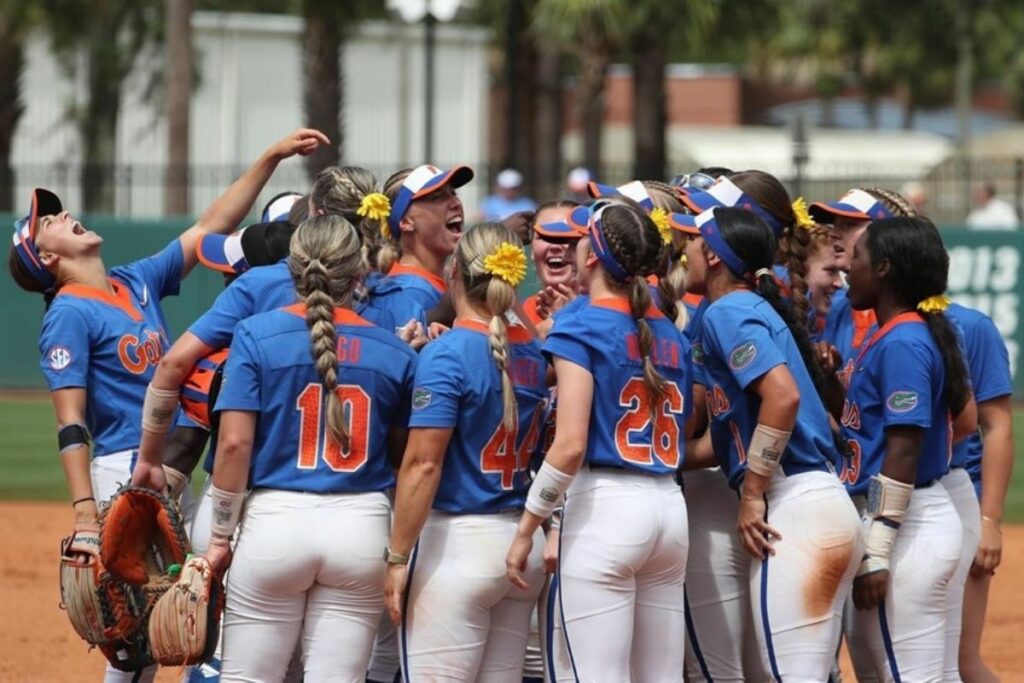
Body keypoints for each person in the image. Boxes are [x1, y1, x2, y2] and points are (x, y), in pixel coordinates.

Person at [8, 127, 328, 683]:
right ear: (46, 257)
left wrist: (271, 156)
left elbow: (208, 228)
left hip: (171, 463)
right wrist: (85, 514)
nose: (63, 216)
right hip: (124, 472)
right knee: (137, 636)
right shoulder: (67, 314)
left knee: (182, 611)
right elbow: (71, 422)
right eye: (49, 222)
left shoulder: (132, 282)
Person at [190, 215, 416, 681]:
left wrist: (219, 538)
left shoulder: (255, 334)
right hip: (362, 529)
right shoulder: (395, 351)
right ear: (360, 272)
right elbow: (403, 458)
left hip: (275, 524)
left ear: (292, 270)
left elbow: (233, 444)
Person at [506, 199, 693, 681]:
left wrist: (528, 527)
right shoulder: (670, 330)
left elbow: (569, 445)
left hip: (605, 508)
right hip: (669, 507)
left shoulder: (581, 321)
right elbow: (689, 425)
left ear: (591, 256)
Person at [681, 206, 862, 682]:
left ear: (715, 256)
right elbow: (730, 441)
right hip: (817, 503)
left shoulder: (727, 310)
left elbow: (782, 398)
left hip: (793, 505)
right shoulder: (746, 308)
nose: (686, 250)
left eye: (695, 242)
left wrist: (753, 493)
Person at [383, 224, 548, 681]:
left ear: (454, 270)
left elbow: (423, 465)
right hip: (520, 541)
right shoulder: (532, 354)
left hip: (456, 547)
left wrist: (397, 557)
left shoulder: (448, 353)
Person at [840, 216, 977, 682]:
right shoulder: (897, 333)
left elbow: (903, 449)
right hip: (908, 516)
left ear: (883, 268)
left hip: (905, 523)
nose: (848, 266)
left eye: (857, 257)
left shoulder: (903, 341)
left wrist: (877, 547)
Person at [944, 303, 1014, 683]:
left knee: (961, 663)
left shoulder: (972, 327)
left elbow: (997, 426)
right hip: (885, 502)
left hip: (961, 503)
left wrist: (989, 520)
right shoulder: (852, 320)